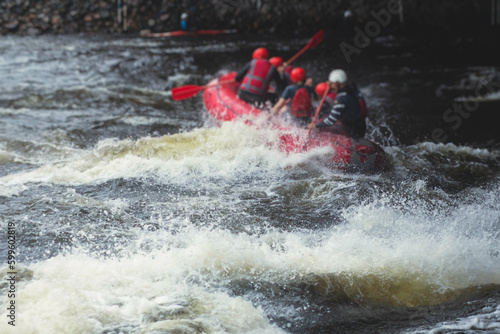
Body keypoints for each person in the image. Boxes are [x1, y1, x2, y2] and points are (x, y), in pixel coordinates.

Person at [308, 69, 366, 138]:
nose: (331, 86)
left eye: (332, 84)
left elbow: (331, 120)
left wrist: (315, 125)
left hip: (351, 131)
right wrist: (331, 82)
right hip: (361, 126)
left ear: (338, 83)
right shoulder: (352, 89)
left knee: (325, 129)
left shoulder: (341, 98)